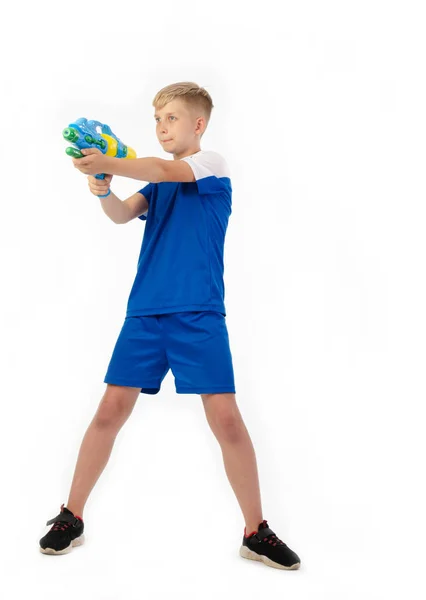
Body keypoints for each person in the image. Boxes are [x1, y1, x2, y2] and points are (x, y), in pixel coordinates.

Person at [39, 82, 301, 570]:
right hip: (145, 313)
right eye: (158, 119)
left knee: (226, 419)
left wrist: (107, 163)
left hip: (199, 314)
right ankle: (70, 515)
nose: (162, 127)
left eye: (172, 118)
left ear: (198, 124)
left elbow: (162, 168)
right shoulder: (154, 184)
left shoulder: (210, 165)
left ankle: (256, 531)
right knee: (110, 410)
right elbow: (121, 215)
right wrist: (102, 188)